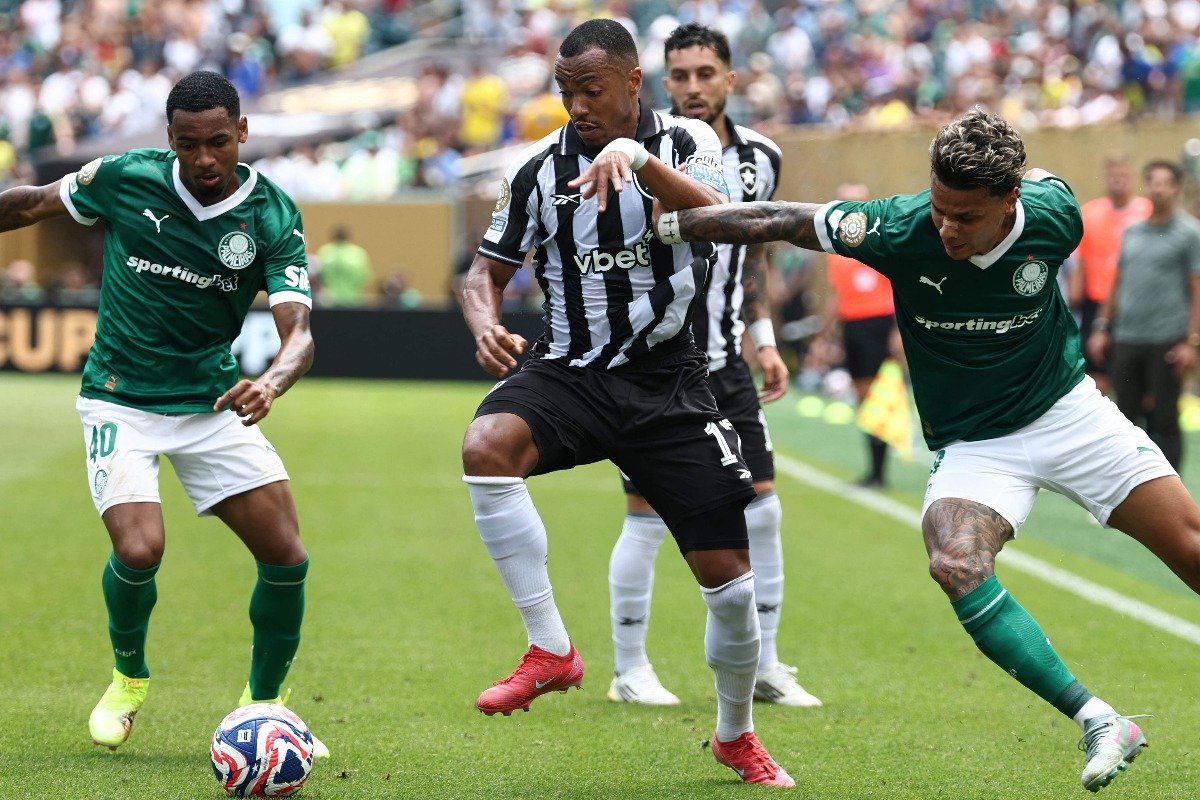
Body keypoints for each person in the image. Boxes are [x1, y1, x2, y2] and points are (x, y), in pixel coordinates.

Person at [654, 107, 1200, 792]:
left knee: (1190, 549)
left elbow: (1049, 180)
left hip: (1070, 415)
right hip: (976, 445)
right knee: (955, 561)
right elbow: (779, 220)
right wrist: (674, 224)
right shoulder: (896, 226)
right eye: (940, 209)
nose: (945, 229)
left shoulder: (1056, 214)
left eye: (965, 217)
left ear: (1010, 203)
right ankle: (1099, 720)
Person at [460, 19, 794, 787]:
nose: (576, 106)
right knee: (485, 448)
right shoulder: (537, 171)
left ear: (633, 84)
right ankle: (552, 649)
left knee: (731, 588)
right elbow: (484, 273)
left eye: (592, 91)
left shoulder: (686, 143)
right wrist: (484, 323)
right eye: (566, 92)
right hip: (569, 371)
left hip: (669, 383)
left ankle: (734, 735)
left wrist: (639, 161)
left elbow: (725, 220)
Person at [0, 71, 327, 757]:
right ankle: (128, 678)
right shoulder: (126, 178)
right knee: (140, 548)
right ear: (169, 140)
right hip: (120, 394)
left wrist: (270, 382)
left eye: (217, 142)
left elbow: (299, 331)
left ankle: (263, 709)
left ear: (242, 132)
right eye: (187, 145)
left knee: (286, 556)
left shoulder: (271, 214)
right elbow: (30, 205)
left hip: (212, 401)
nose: (204, 160)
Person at [606, 23, 820, 710]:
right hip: (657, 365)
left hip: (728, 361)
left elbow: (754, 254)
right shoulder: (641, 153)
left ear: (731, 79)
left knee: (763, 512)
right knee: (646, 518)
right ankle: (629, 669)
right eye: (681, 74)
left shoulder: (762, 156)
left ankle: (767, 663)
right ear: (664, 82)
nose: (694, 86)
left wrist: (763, 337)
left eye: (706, 73)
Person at [1087, 160, 1200, 472]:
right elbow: (1117, 282)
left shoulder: (1189, 233)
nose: (1158, 188)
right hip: (1127, 338)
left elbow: (1197, 290)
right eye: (1153, 181)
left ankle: (1171, 494)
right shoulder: (1133, 231)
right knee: (1124, 420)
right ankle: (1126, 491)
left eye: (1166, 182)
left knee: (1165, 420)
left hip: (1166, 340)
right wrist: (1102, 326)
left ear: (1176, 188)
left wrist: (1192, 342)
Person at [821, 182, 898, 489]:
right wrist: (825, 334)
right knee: (862, 398)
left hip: (877, 323)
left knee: (879, 397)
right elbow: (836, 295)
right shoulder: (837, 250)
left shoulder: (881, 243)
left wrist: (897, 331)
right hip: (852, 327)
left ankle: (879, 471)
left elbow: (899, 288)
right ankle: (875, 469)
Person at [1069, 154, 1151, 395]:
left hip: (1134, 303)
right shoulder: (1090, 213)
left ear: (1132, 178)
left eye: (1123, 176)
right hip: (1096, 300)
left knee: (1136, 374)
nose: (1118, 181)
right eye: (1114, 176)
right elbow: (1080, 259)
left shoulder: (1146, 212)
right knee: (1097, 370)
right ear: (1106, 178)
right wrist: (1076, 293)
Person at [315, 224, 374, 306]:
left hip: (329, 301)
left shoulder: (324, 252)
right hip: (353, 300)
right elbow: (366, 278)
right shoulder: (358, 253)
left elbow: (317, 278)